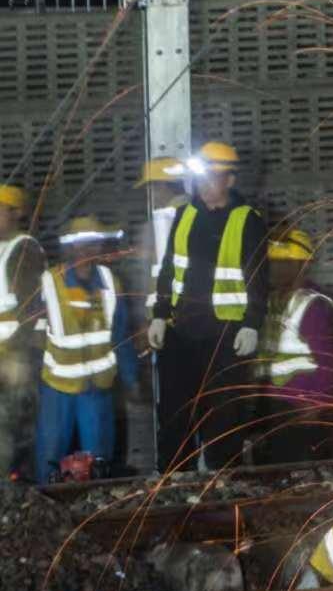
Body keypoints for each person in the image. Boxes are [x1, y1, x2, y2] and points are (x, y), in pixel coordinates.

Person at [148, 142, 268, 471]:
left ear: (229, 180)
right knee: (175, 414)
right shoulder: (185, 215)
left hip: (224, 336)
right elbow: (170, 268)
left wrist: (251, 323)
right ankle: (173, 481)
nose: (203, 185)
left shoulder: (248, 221)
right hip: (181, 332)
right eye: (200, 178)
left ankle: (223, 483)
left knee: (223, 416)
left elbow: (257, 276)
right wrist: (160, 314)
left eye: (211, 178)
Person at [34, 218, 131, 483]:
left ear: (99, 246)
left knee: (98, 459)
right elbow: (35, 333)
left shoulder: (111, 283)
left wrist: (131, 378)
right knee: (51, 454)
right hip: (58, 386)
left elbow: (120, 334)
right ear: (70, 249)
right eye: (80, 245)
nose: (85, 250)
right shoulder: (49, 282)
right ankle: (45, 508)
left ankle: (95, 510)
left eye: (91, 244)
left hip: (97, 387)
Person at [252, 229, 333, 464]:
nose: (276, 269)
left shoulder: (312, 306)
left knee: (299, 473)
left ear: (302, 266)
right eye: (274, 263)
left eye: (284, 263)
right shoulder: (270, 301)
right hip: (273, 405)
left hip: (301, 408)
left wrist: (321, 404)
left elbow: (327, 360)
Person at [0, 185, 47, 479]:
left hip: (18, 356)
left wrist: (15, 350)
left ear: (16, 213)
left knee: (17, 424)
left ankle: (20, 487)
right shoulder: (5, 249)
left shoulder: (24, 249)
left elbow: (31, 309)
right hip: (6, 354)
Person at [136, 157, 188, 312]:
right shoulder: (200, 214)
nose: (148, 194)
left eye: (149, 188)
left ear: (161, 185)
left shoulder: (160, 222)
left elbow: (149, 272)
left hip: (166, 312)